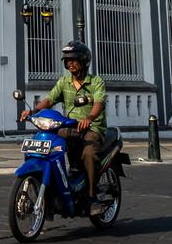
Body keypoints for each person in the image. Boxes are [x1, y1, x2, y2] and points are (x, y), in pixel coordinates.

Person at [20, 40, 109, 213]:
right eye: (68, 61)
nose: (70, 64)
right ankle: (57, 187)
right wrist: (33, 111)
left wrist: (90, 117)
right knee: (50, 145)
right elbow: (50, 99)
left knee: (89, 153)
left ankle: (91, 196)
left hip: (92, 129)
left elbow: (99, 102)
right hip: (69, 127)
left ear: (84, 61)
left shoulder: (96, 82)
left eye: (74, 60)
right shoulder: (64, 82)